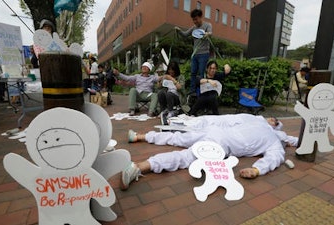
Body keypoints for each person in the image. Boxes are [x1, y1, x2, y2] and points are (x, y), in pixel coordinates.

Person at [120, 113, 298, 190]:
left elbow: (276, 157)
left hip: (222, 145)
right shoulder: (254, 119)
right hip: (213, 132)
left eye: (275, 121)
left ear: (278, 128)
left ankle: (139, 167)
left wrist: (257, 170)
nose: (272, 120)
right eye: (272, 118)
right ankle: (139, 136)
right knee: (177, 137)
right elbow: (227, 119)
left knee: (186, 157)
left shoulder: (275, 140)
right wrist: (201, 121)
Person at [175, 9, 212, 94]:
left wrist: (207, 34)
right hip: (195, 54)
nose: (195, 21)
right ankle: (192, 91)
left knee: (201, 73)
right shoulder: (193, 28)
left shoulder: (207, 25)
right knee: (193, 73)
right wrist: (179, 30)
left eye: (196, 19)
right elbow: (185, 35)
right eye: (193, 19)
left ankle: (202, 91)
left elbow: (210, 33)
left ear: (200, 17)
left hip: (204, 54)